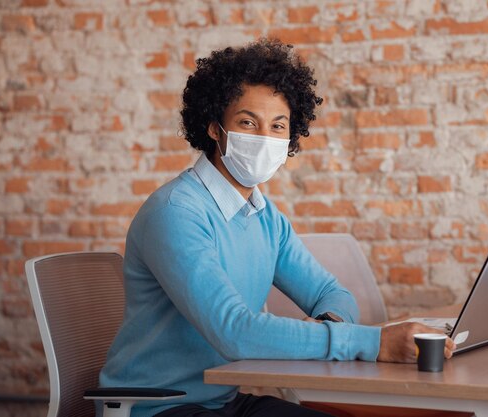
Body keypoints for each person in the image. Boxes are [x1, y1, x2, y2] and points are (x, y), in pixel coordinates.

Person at [99, 38, 455, 417]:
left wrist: (325, 329)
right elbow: (234, 332)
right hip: (157, 408)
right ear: (215, 129)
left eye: (278, 126)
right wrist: (371, 344)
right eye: (248, 122)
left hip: (223, 402)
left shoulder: (265, 217)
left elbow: (333, 294)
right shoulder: (175, 213)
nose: (264, 138)